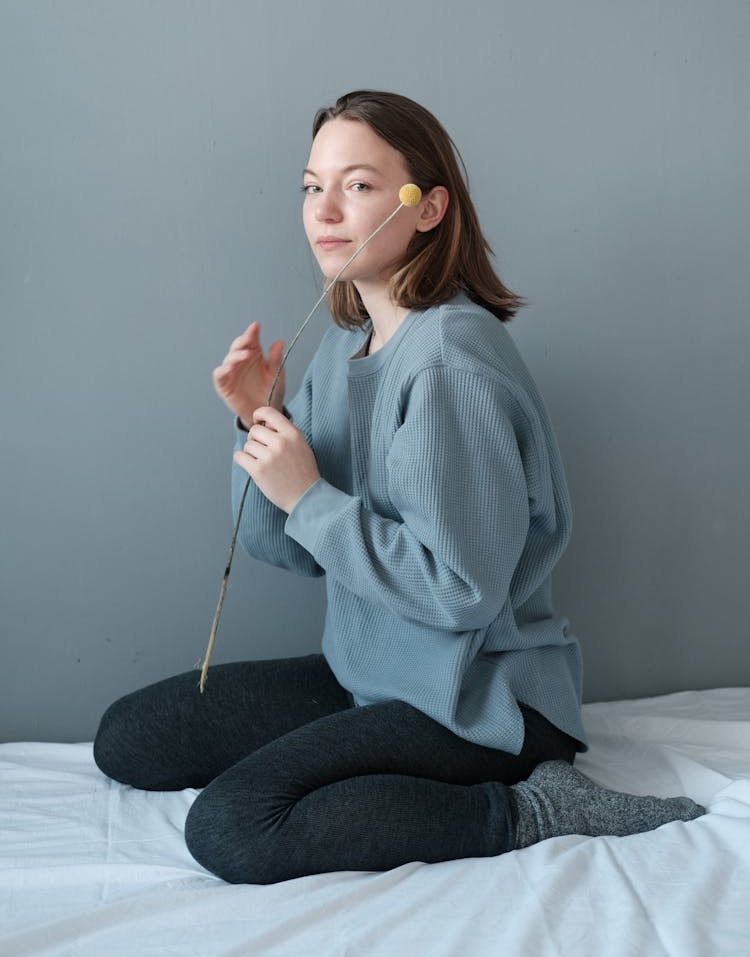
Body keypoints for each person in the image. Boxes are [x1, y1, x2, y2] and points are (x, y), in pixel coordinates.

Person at [94, 90, 703, 884]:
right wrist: (261, 423)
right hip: (371, 676)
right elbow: (286, 546)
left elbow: (460, 594)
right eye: (313, 186)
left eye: (359, 185)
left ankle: (536, 808)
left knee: (235, 826)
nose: (326, 210)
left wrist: (310, 493)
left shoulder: (449, 363)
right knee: (130, 738)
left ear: (429, 207)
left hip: (482, 708)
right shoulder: (350, 340)